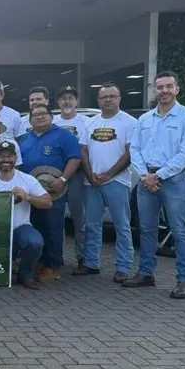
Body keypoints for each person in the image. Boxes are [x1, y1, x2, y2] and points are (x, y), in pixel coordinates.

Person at [127, 71, 185, 299]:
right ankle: (146, 273)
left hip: (174, 180)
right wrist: (144, 175)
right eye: (160, 87)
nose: (164, 91)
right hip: (145, 180)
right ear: (154, 90)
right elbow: (135, 149)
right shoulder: (144, 120)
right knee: (147, 229)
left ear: (177, 89)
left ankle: (184, 280)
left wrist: (157, 175)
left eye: (169, 86)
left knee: (179, 230)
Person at [78, 84, 137, 281]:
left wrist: (109, 174)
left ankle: (123, 266)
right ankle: (92, 263)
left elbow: (130, 153)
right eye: (104, 97)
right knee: (92, 224)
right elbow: (83, 151)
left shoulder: (129, 122)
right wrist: (90, 175)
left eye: (112, 96)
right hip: (92, 182)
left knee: (122, 225)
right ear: (98, 100)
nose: (108, 100)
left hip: (117, 181)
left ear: (119, 98)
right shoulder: (90, 123)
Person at [0, 141, 52, 289]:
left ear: (15, 159)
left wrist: (28, 197)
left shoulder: (27, 179)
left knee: (35, 242)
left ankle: (26, 274)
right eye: (2, 156)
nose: (6, 160)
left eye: (9, 156)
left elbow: (48, 202)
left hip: (19, 227)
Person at [18, 104, 81, 281]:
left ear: (51, 117)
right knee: (36, 225)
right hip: (31, 192)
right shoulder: (25, 139)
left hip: (54, 190)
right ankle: (40, 261)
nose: (40, 117)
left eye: (43, 113)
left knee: (53, 227)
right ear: (30, 120)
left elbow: (74, 159)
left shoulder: (64, 136)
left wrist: (62, 180)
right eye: (35, 114)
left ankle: (53, 265)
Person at [53, 85, 91, 273]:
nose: (67, 101)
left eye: (71, 98)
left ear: (77, 101)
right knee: (56, 220)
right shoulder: (53, 122)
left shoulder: (86, 122)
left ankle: (82, 258)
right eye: (63, 98)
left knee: (79, 220)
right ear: (58, 102)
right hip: (55, 177)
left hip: (77, 176)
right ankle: (56, 257)